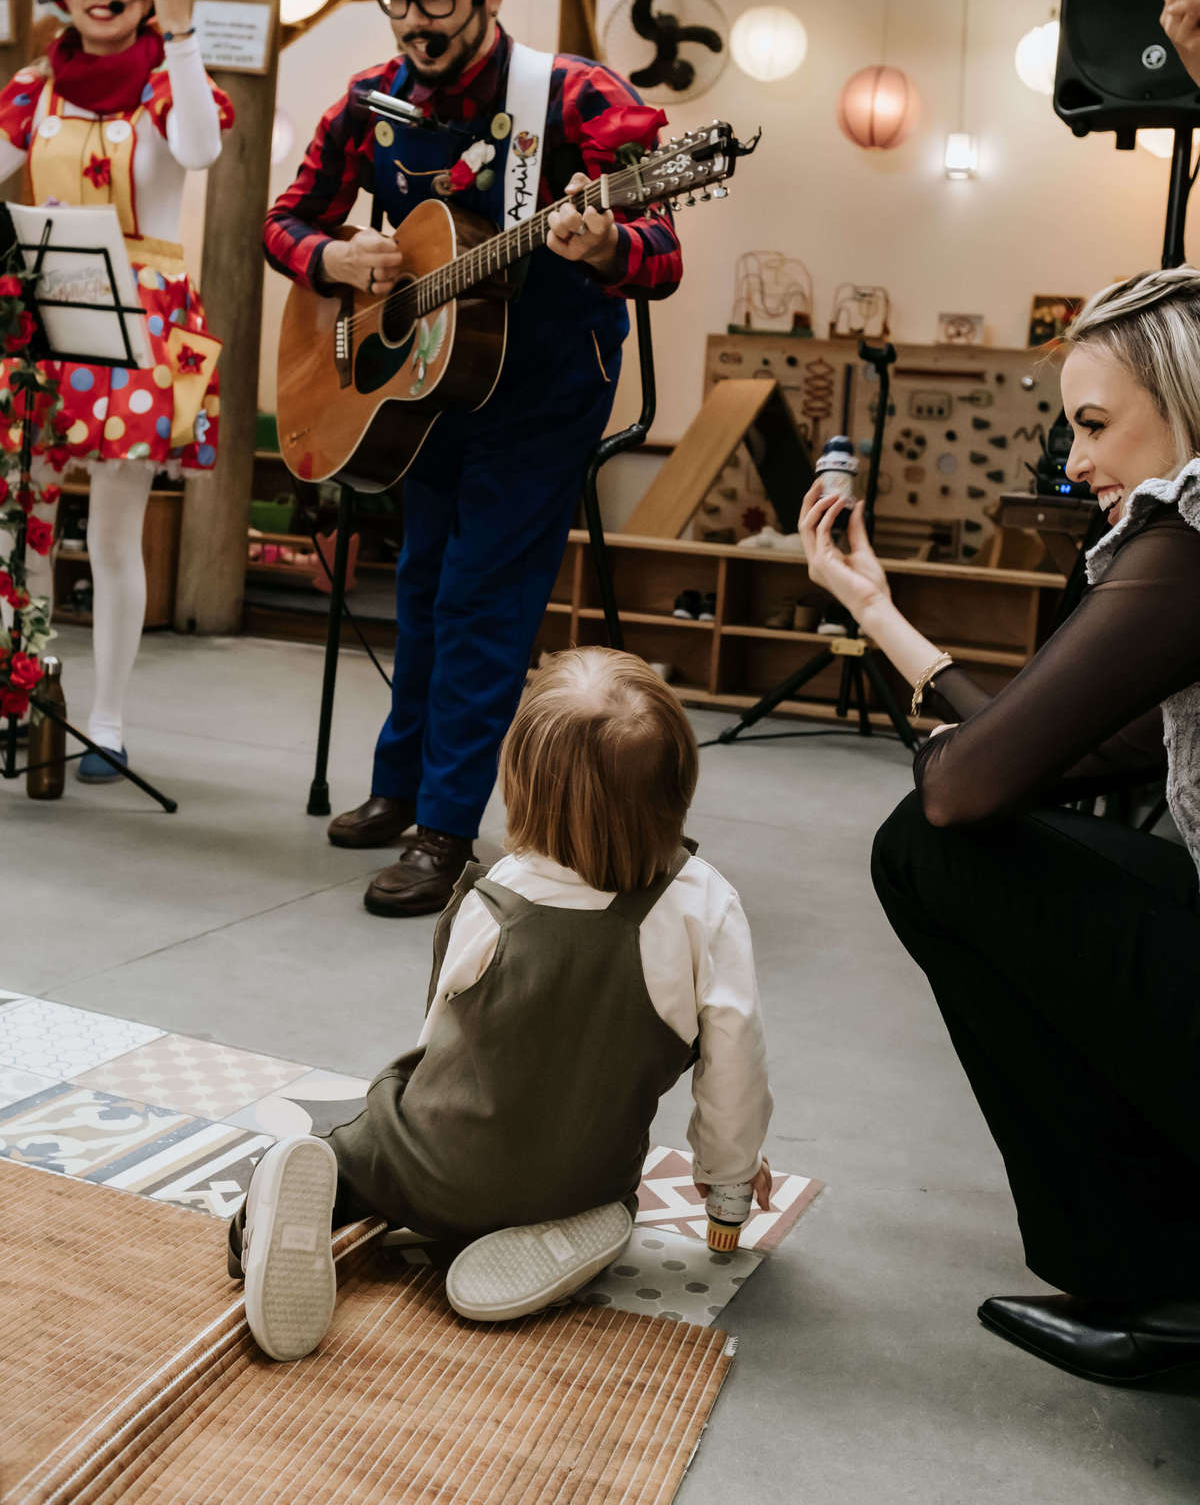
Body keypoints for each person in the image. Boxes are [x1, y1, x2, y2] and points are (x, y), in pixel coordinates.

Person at [800, 266, 1200, 1385]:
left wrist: (960, 757)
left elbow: (963, 793)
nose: (1076, 464)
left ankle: (1151, 1265)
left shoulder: (1198, 527)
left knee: (927, 849)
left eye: (1095, 424)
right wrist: (877, 610)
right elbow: (1045, 754)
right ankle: (1163, 1261)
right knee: (974, 838)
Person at [263, 0, 682, 917]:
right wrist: (334, 257)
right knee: (418, 589)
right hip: (421, 382)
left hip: (540, 387)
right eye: (396, 1)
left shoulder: (575, 96)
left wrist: (605, 241)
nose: (413, 22)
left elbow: (661, 254)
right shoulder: (369, 99)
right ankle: (402, 786)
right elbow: (285, 220)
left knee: (478, 599)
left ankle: (446, 829)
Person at [226, 647, 773, 1360]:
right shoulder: (705, 905)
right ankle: (573, 1223)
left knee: (352, 1142)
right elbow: (736, 1061)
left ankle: (279, 1215)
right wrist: (728, 1180)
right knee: (598, 1184)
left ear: (521, 786)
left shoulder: (497, 895)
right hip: (585, 1170)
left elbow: (440, 1034)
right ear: (679, 784)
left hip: (433, 1165)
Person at [0, 0, 231, 777]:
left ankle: (110, 719)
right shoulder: (32, 87)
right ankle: (33, 691)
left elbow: (203, 151)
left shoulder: (174, 79)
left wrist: (183, 37)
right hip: (43, 315)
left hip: (141, 315)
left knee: (114, 528)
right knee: (25, 522)